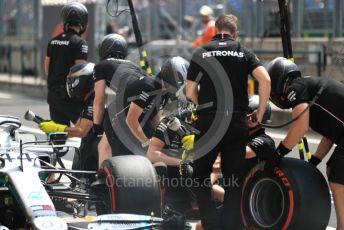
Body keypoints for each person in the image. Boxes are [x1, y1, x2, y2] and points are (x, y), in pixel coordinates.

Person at [186, 14, 271, 229]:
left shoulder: (202, 51)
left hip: (209, 121)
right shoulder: (243, 51)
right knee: (234, 178)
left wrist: (202, 105)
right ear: (235, 33)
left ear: (215, 30)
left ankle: (210, 223)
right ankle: (230, 225)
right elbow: (265, 79)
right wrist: (259, 114)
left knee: (200, 175)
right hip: (235, 120)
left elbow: (189, 91)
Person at [266, 56, 344, 230]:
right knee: (333, 169)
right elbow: (330, 135)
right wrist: (314, 161)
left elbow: (300, 127)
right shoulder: (309, 85)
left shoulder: (296, 87)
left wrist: (278, 153)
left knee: (338, 179)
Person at [93, 34, 178, 167]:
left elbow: (99, 98)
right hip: (140, 103)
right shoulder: (134, 65)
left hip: (127, 106)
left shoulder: (101, 65)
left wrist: (96, 125)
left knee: (106, 148)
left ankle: (103, 183)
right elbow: (154, 113)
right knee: (106, 145)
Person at [195, 95, 276, 230]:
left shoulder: (265, 141)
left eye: (253, 115)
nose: (248, 117)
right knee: (200, 226)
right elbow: (216, 165)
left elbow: (236, 154)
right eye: (246, 113)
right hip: (234, 197)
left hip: (254, 202)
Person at [39, 62, 100, 172]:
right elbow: (78, 127)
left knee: (84, 150)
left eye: (74, 80)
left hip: (97, 148)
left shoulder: (93, 101)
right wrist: (57, 132)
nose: (70, 84)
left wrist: (56, 128)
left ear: (85, 80)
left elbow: (81, 131)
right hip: (93, 146)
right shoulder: (87, 100)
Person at [44, 2, 88, 126]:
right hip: (71, 98)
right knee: (87, 130)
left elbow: (47, 70)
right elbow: (80, 73)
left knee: (59, 137)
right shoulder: (80, 43)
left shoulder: (53, 42)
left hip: (53, 97)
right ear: (83, 20)